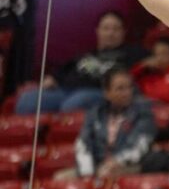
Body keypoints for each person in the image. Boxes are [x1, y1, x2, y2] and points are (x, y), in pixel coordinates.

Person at [16, 11, 147, 115]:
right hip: (65, 90)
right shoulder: (86, 55)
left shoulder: (133, 53)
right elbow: (62, 71)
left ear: (123, 32)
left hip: (97, 91)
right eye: (106, 28)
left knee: (72, 105)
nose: (110, 33)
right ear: (98, 31)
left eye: (115, 29)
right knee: (27, 101)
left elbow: (150, 61)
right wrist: (52, 79)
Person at [58, 67, 156, 180]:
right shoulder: (95, 113)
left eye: (129, 87)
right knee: (60, 178)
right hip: (98, 167)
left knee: (107, 174)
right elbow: (84, 143)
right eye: (120, 89)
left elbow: (139, 146)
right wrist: (87, 173)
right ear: (107, 93)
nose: (127, 93)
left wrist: (116, 161)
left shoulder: (143, 113)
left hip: (129, 166)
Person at [131, 36, 169, 104]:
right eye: (156, 54)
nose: (158, 58)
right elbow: (128, 79)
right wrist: (142, 66)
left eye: (164, 54)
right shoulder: (145, 73)